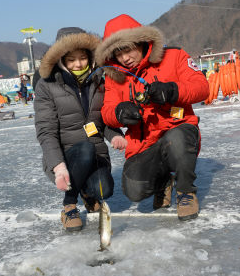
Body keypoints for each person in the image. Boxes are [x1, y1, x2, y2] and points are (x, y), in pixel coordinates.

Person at [95, 14, 210, 221]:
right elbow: (107, 111)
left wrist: (173, 91)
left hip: (178, 129)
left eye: (128, 49)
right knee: (134, 190)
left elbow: (202, 87)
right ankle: (163, 181)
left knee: (177, 141)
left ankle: (185, 191)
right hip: (144, 143)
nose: (124, 58)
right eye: (117, 53)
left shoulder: (174, 56)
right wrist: (120, 112)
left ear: (141, 42)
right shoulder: (114, 75)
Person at [34, 27, 127, 232]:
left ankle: (87, 192)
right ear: (61, 60)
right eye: (71, 59)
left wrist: (115, 136)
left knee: (104, 191)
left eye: (83, 57)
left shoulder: (99, 80)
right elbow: (46, 131)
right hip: (66, 157)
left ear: (90, 56)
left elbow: (104, 119)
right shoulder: (46, 86)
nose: (78, 64)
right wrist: (58, 167)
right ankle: (69, 205)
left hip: (96, 154)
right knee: (84, 149)